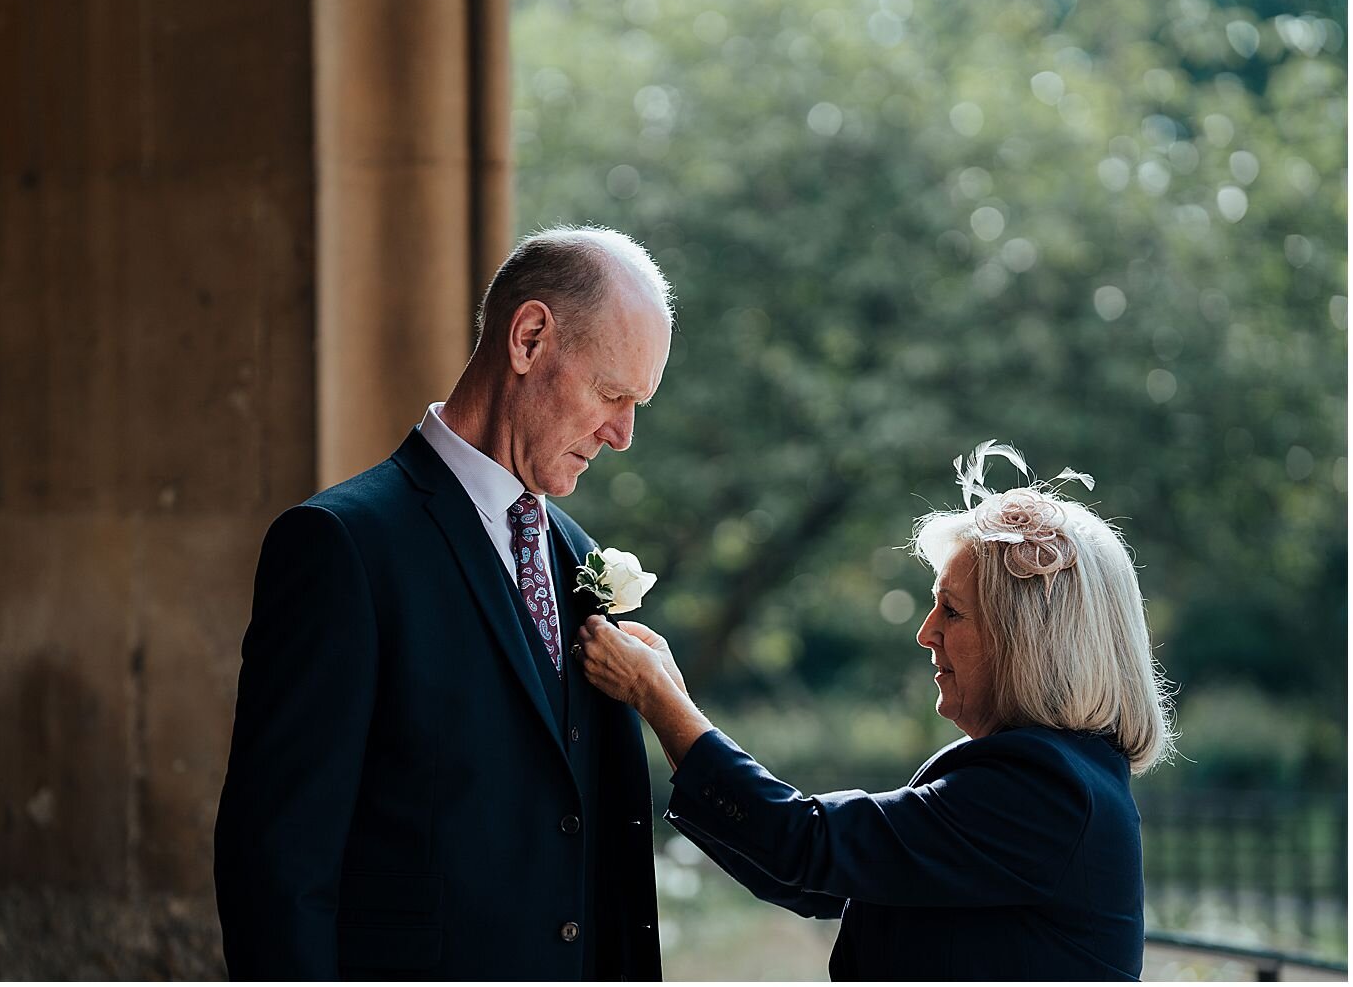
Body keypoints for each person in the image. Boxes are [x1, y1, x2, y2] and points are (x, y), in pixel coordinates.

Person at [214, 226, 674, 979]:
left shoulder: (576, 551)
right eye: (612, 393)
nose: (622, 434)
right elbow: (277, 861)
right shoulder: (341, 546)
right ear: (528, 338)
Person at [577, 442, 1177, 981]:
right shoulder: (1032, 775)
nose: (926, 633)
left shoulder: (1047, 792)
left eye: (952, 611)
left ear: (1027, 638)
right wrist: (674, 701)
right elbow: (812, 877)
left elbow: (804, 844)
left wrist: (660, 701)